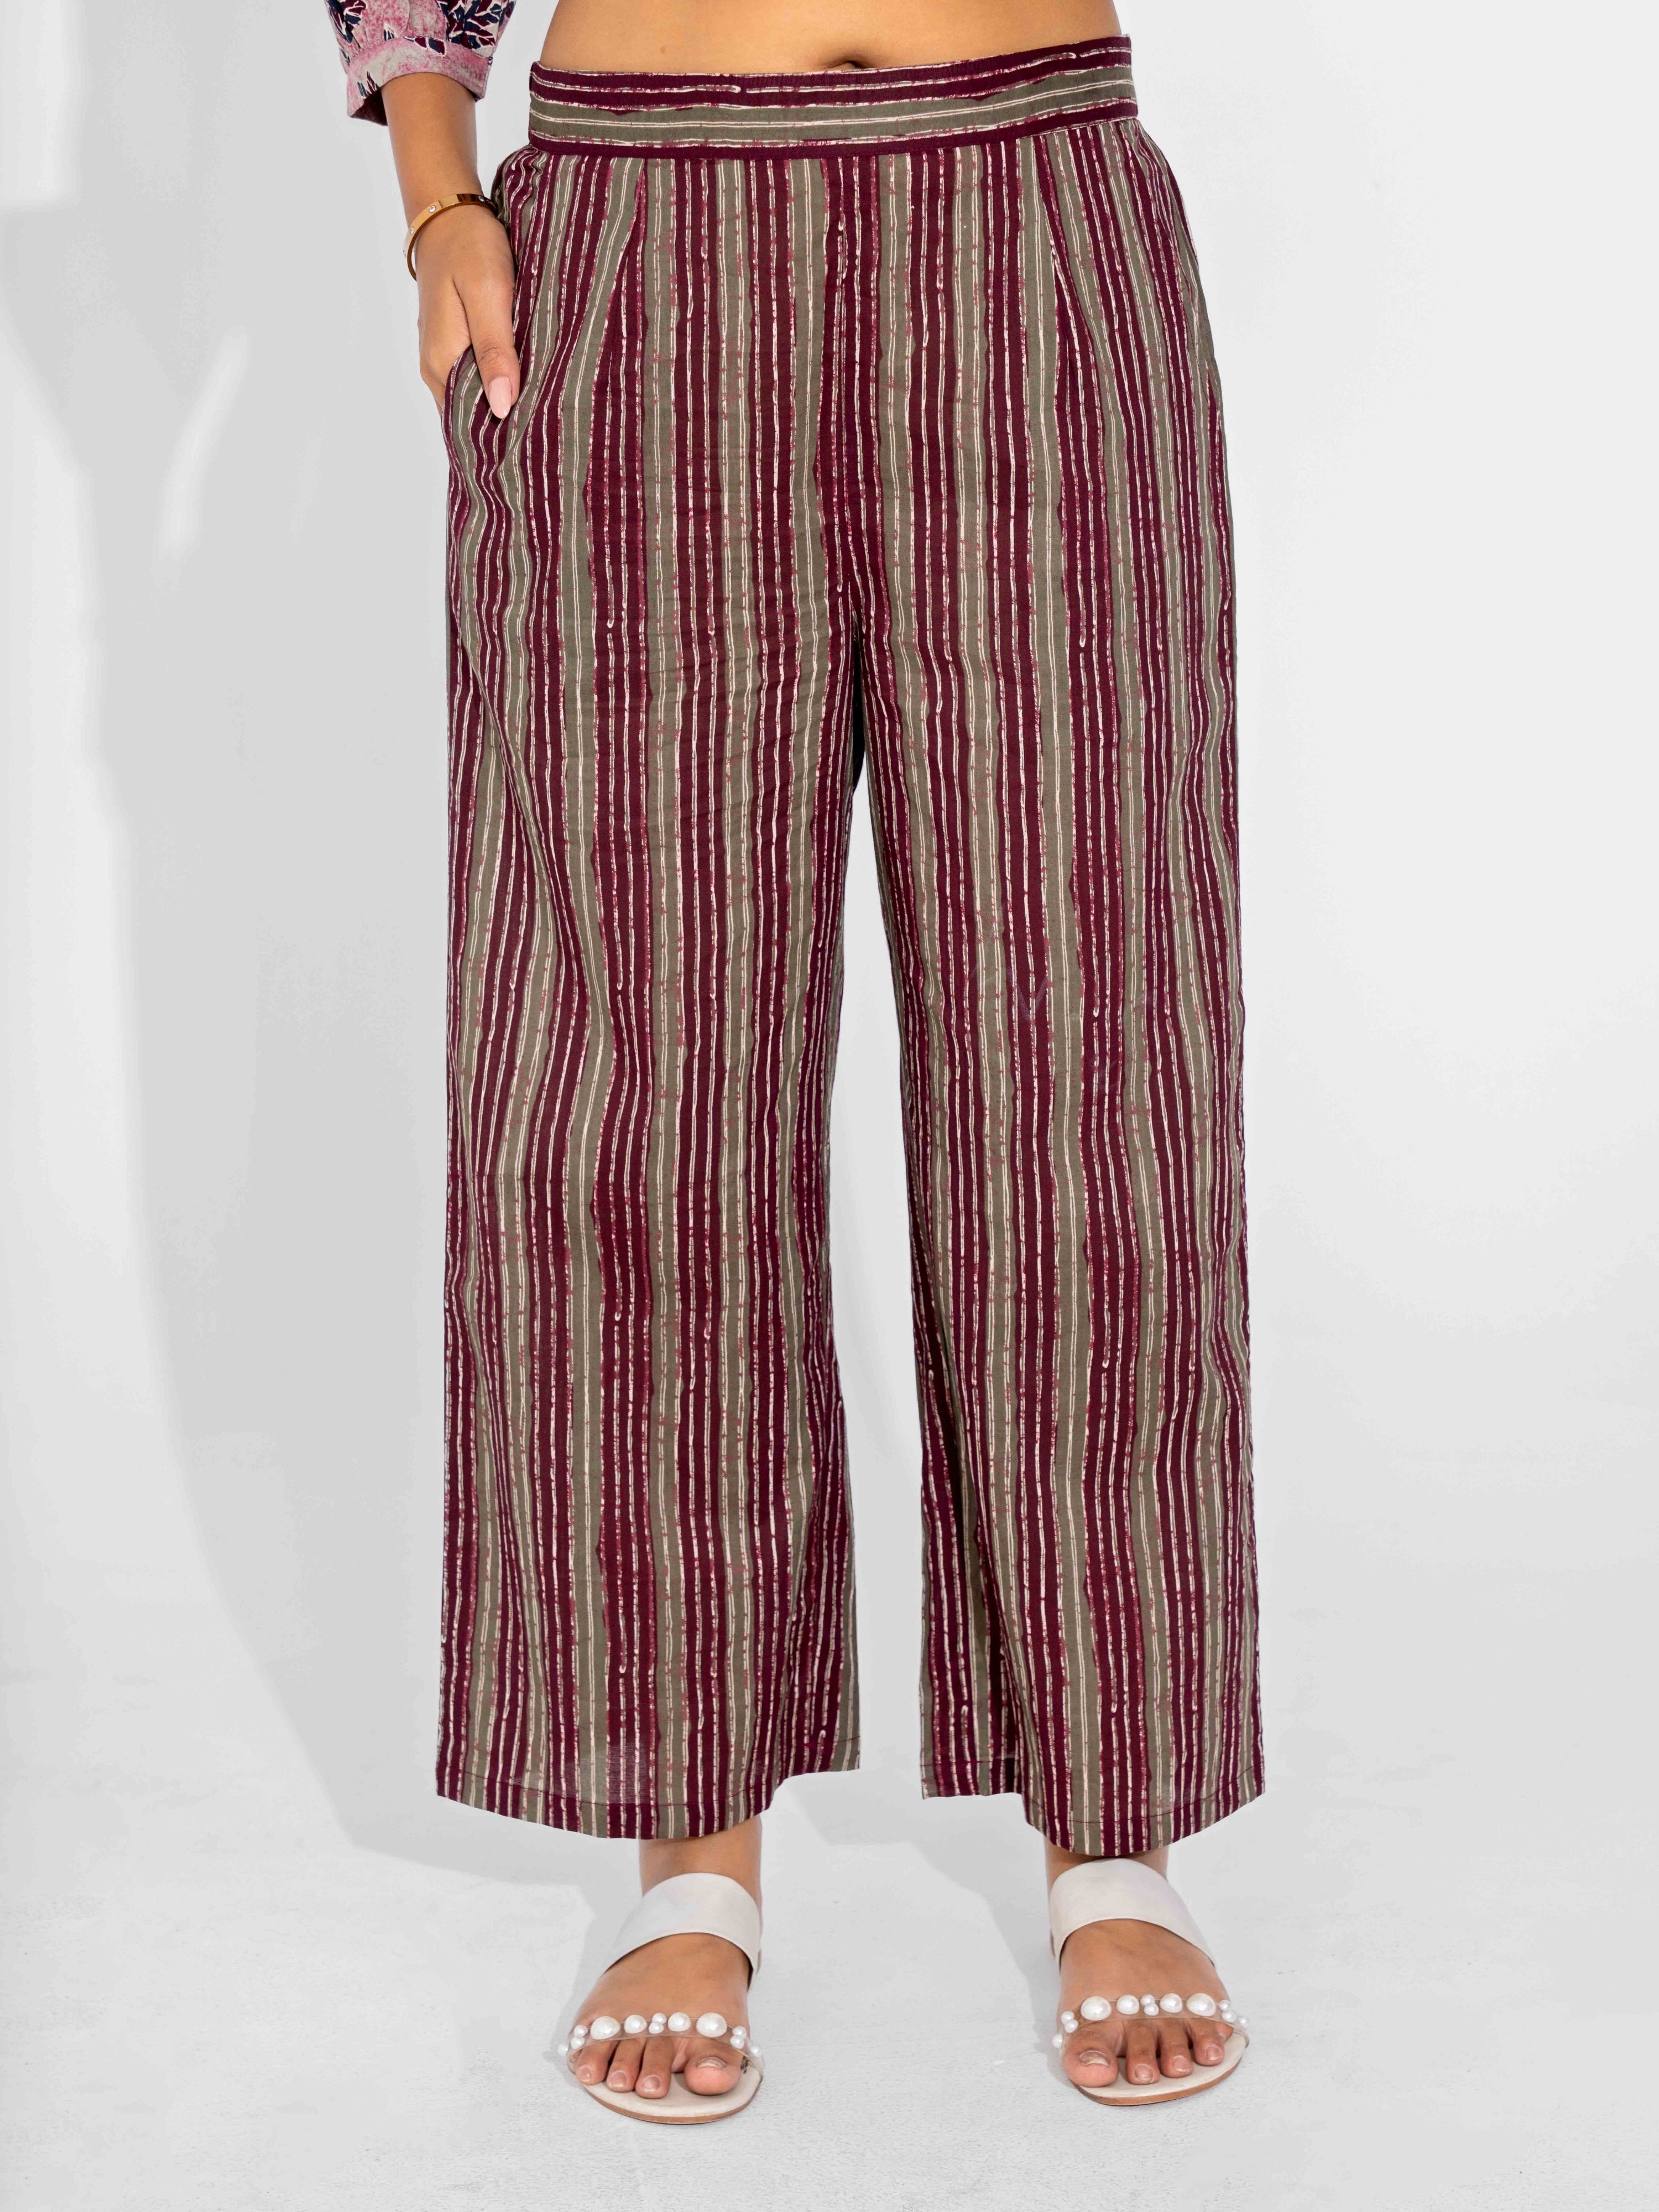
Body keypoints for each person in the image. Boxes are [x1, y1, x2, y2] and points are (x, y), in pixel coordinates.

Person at [327, 0, 1261, 2120]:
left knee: (1089, 1048)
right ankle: (690, 1845)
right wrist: (440, 200)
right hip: (640, 237)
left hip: (1031, 208)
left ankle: (1117, 1820)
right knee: (636, 1077)